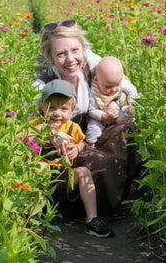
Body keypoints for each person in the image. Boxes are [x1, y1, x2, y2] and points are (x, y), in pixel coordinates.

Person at [34, 19, 142, 218]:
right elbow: (28, 126)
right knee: (97, 162)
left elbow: (121, 83)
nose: (70, 59)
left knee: (126, 129)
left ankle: (115, 198)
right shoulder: (43, 83)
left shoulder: (89, 60)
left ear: (83, 48)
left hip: (93, 125)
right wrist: (52, 134)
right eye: (61, 54)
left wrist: (114, 103)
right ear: (51, 57)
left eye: (75, 50)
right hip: (60, 142)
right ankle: (83, 210)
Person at [33, 79, 113, 237]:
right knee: (39, 166)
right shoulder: (37, 124)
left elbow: (82, 142)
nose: (57, 113)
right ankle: (34, 214)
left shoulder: (72, 127)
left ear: (72, 110)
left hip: (63, 177)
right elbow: (25, 135)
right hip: (40, 179)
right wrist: (49, 131)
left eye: (64, 108)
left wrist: (76, 148)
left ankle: (92, 219)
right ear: (42, 107)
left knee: (83, 172)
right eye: (52, 107)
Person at [87, 56, 138, 145]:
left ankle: (127, 128)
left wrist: (131, 103)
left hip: (118, 110)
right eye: (108, 87)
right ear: (96, 80)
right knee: (93, 128)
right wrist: (103, 116)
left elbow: (132, 90)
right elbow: (91, 110)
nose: (114, 89)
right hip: (100, 115)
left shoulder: (119, 82)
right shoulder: (93, 92)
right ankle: (91, 145)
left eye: (117, 85)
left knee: (131, 113)